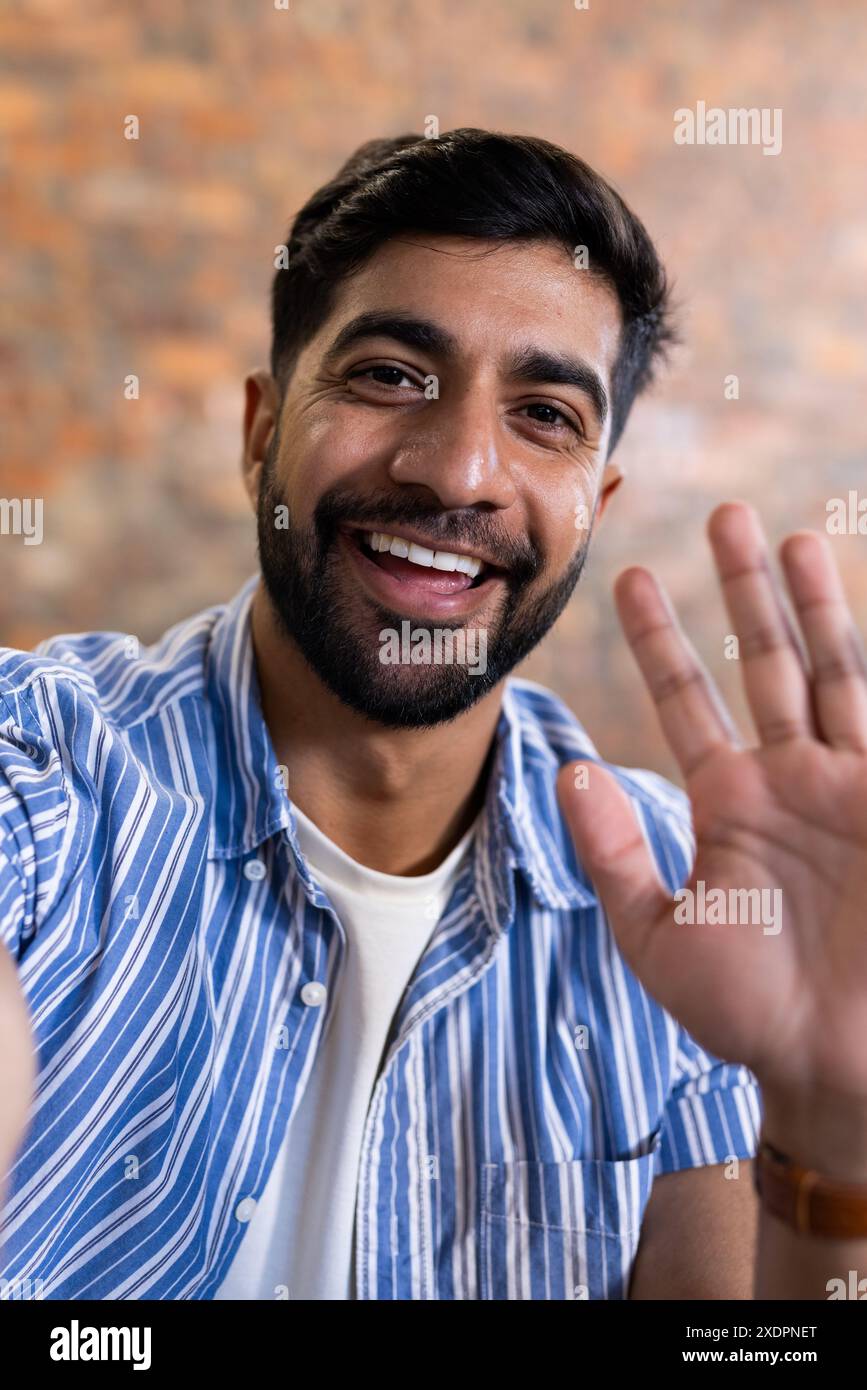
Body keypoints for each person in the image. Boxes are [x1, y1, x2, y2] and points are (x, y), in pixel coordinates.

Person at [1, 129, 865, 1302]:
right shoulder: (45, 776)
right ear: (262, 433)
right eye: (391, 375)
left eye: (546, 414)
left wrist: (830, 1134)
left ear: (596, 504)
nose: (460, 472)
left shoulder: (691, 895)